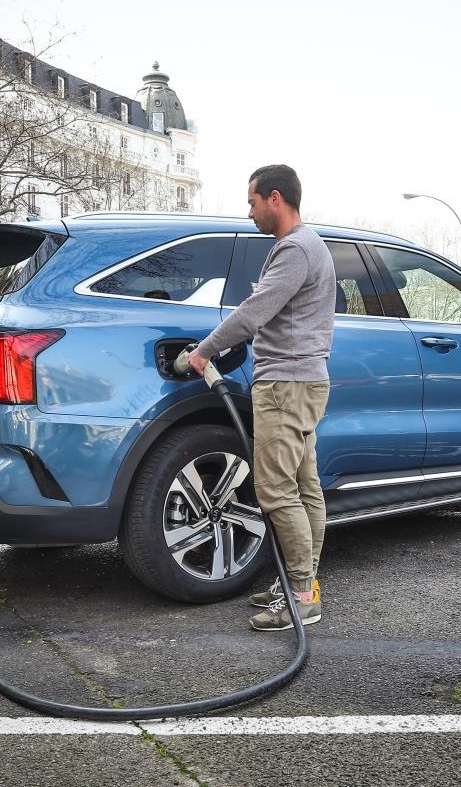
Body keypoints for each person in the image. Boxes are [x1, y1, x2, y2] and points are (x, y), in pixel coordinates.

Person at [189, 164, 335, 632]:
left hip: (286, 386)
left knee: (275, 491)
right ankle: (304, 585)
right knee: (305, 488)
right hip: (305, 382)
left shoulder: (294, 249)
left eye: (252, 202)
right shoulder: (309, 246)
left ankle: (299, 596)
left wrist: (203, 351)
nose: (248, 211)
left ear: (275, 199)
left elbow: (255, 312)